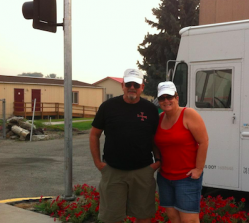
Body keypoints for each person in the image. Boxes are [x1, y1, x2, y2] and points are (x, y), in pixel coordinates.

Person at [89, 68, 161, 223]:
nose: (132, 87)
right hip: (113, 171)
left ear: (142, 86)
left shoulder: (150, 109)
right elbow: (94, 134)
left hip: (143, 171)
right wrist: (98, 163)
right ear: (123, 85)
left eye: (136, 84)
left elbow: (155, 137)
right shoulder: (108, 107)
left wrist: (157, 161)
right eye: (129, 84)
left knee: (144, 216)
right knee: (111, 218)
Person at [154, 81, 209, 223]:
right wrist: (158, 161)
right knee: (173, 217)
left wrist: (199, 169)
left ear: (177, 98)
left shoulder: (188, 114)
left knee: (189, 220)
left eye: (169, 96)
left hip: (187, 178)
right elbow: (156, 144)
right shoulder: (159, 119)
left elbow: (203, 141)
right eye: (162, 98)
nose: (166, 100)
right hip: (165, 178)